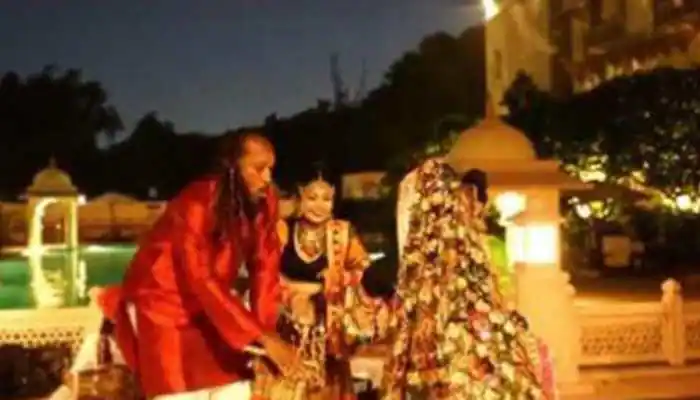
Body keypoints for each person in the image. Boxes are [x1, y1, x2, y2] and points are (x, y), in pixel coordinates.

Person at [96, 132, 300, 399]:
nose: (268, 178)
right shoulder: (196, 203)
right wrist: (261, 337)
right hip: (162, 302)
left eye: (271, 169)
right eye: (259, 169)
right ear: (232, 169)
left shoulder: (265, 202)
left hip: (210, 308)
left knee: (234, 384)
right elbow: (200, 276)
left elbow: (265, 270)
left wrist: (266, 336)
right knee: (177, 389)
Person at [384, 158, 550, 399]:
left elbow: (499, 288)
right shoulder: (435, 256)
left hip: (478, 328)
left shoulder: (484, 246)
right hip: (456, 340)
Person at [251, 175, 393, 400]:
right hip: (287, 324)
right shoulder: (282, 229)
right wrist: (291, 297)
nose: (319, 206)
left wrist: (336, 280)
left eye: (326, 199)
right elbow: (265, 271)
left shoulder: (342, 232)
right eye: (312, 198)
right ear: (301, 196)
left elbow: (362, 272)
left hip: (327, 329)